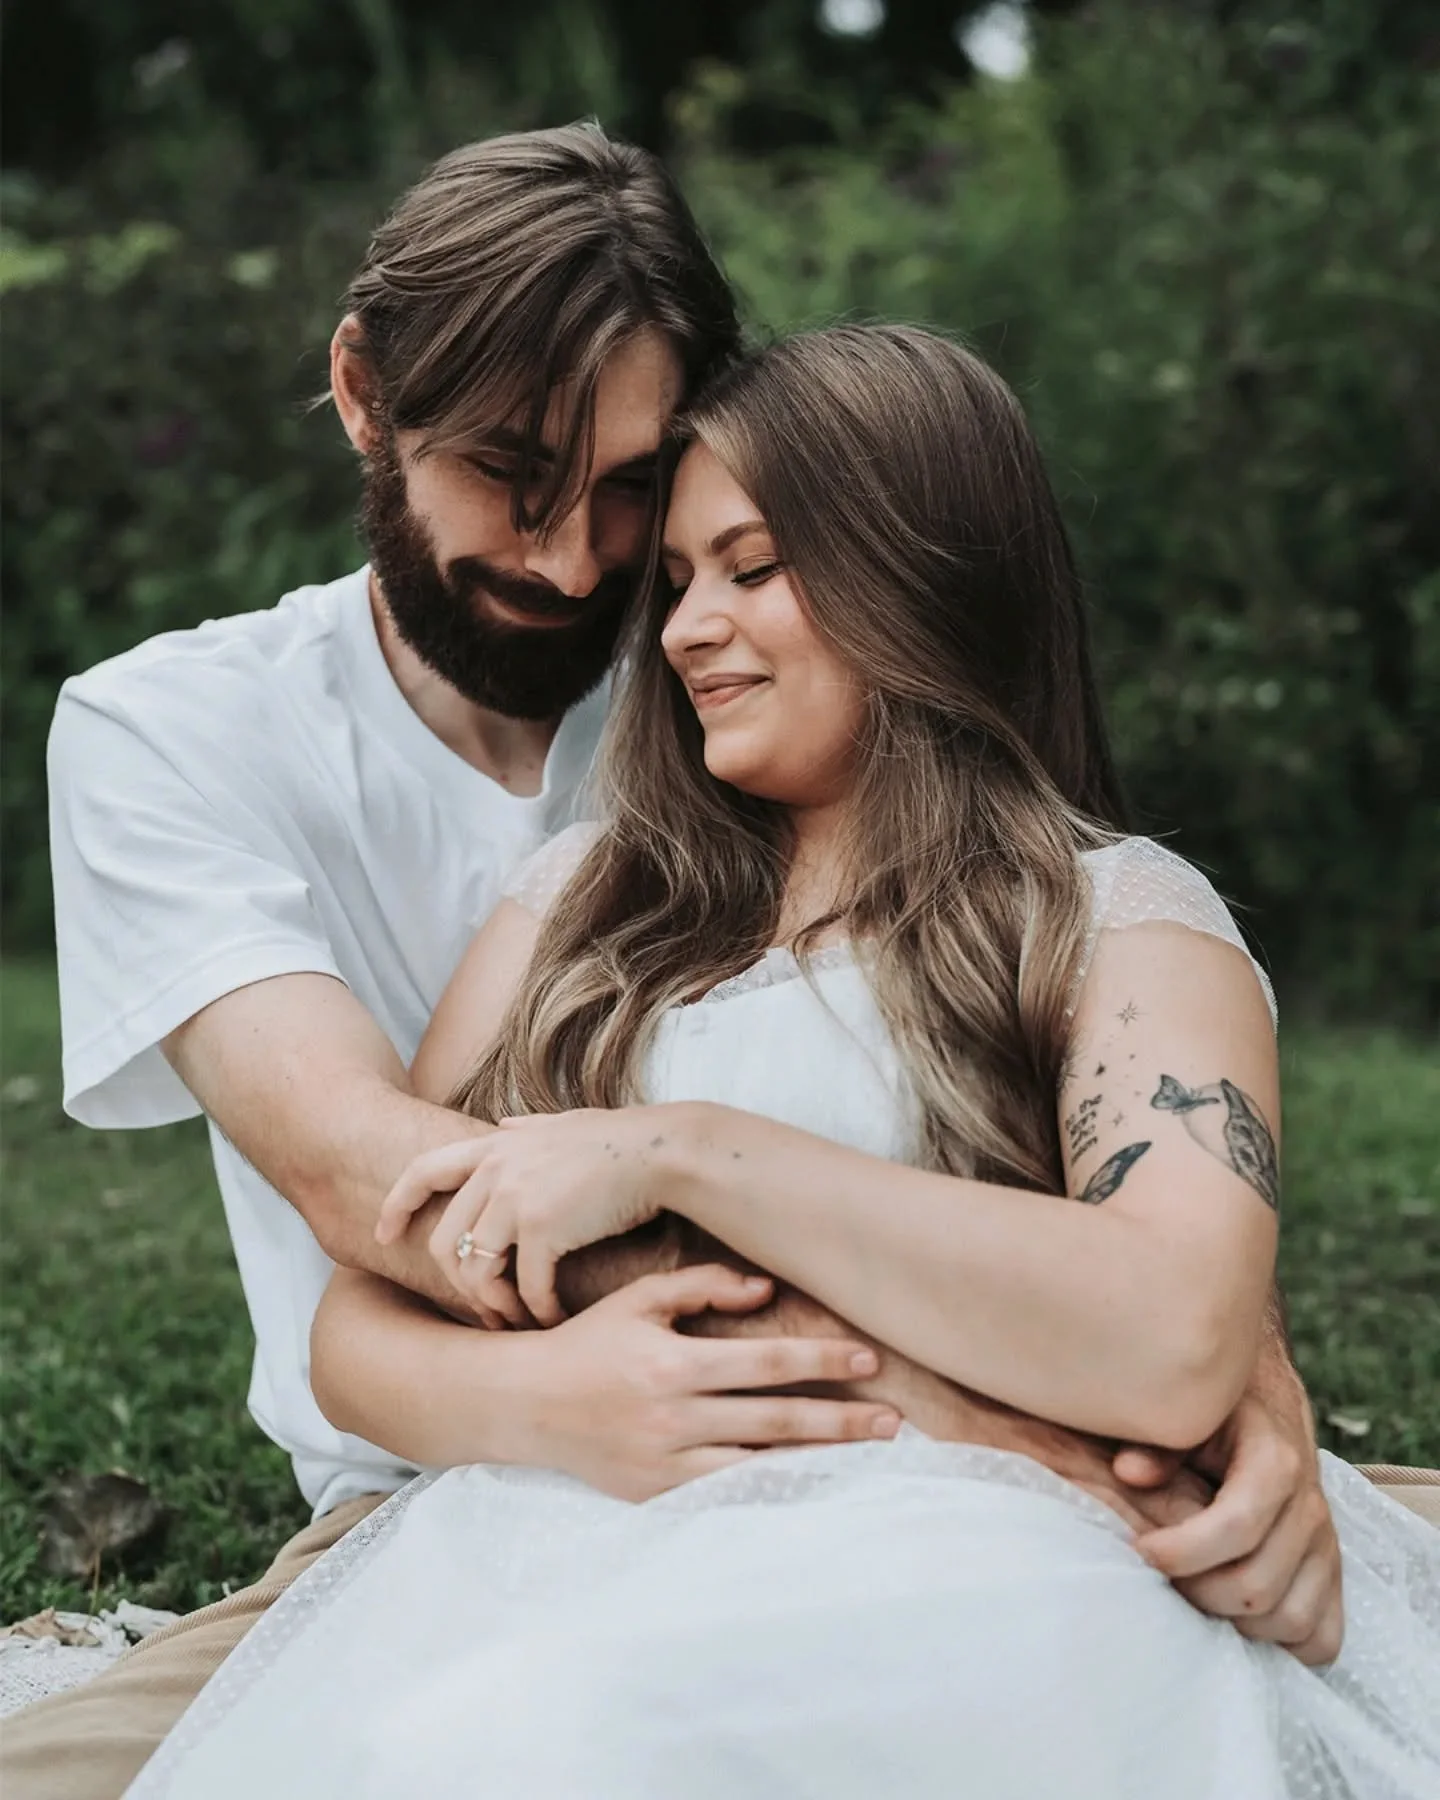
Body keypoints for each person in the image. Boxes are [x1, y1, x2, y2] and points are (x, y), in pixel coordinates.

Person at [0, 122, 1407, 1796]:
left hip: (978, 1563)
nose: (589, 575)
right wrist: (1019, 1397)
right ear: (367, 398)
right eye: (515, 479)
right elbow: (367, 1201)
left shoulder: (836, 787)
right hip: (477, 1488)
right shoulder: (209, 744)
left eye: (643, 510)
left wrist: (1230, 1364)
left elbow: (1165, 1265)